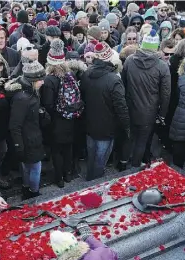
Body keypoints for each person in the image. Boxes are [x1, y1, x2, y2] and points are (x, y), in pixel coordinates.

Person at [121, 29, 171, 169]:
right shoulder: (162, 66)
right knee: (142, 140)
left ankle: (123, 163)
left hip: (130, 108)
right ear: (156, 48)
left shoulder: (130, 61)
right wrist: (162, 115)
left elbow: (123, 85)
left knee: (129, 137)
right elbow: (166, 94)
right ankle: (136, 166)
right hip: (149, 112)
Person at [80, 41, 129, 180]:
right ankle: (95, 184)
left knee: (92, 156)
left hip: (89, 125)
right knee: (100, 160)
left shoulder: (86, 74)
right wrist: (126, 126)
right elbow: (121, 107)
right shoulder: (114, 79)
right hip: (107, 128)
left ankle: (89, 181)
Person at [40, 39, 84, 187]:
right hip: (71, 119)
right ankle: (68, 174)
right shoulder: (71, 75)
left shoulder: (49, 80)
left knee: (56, 151)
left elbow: (48, 104)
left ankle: (59, 179)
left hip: (56, 122)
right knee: (68, 148)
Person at [6, 59, 48, 199]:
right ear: (32, 80)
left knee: (28, 167)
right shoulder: (22, 98)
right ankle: (33, 193)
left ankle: (27, 188)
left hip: (32, 137)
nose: (43, 82)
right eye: (40, 79)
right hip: (28, 140)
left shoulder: (30, 92)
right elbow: (15, 125)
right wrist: (19, 146)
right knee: (35, 168)